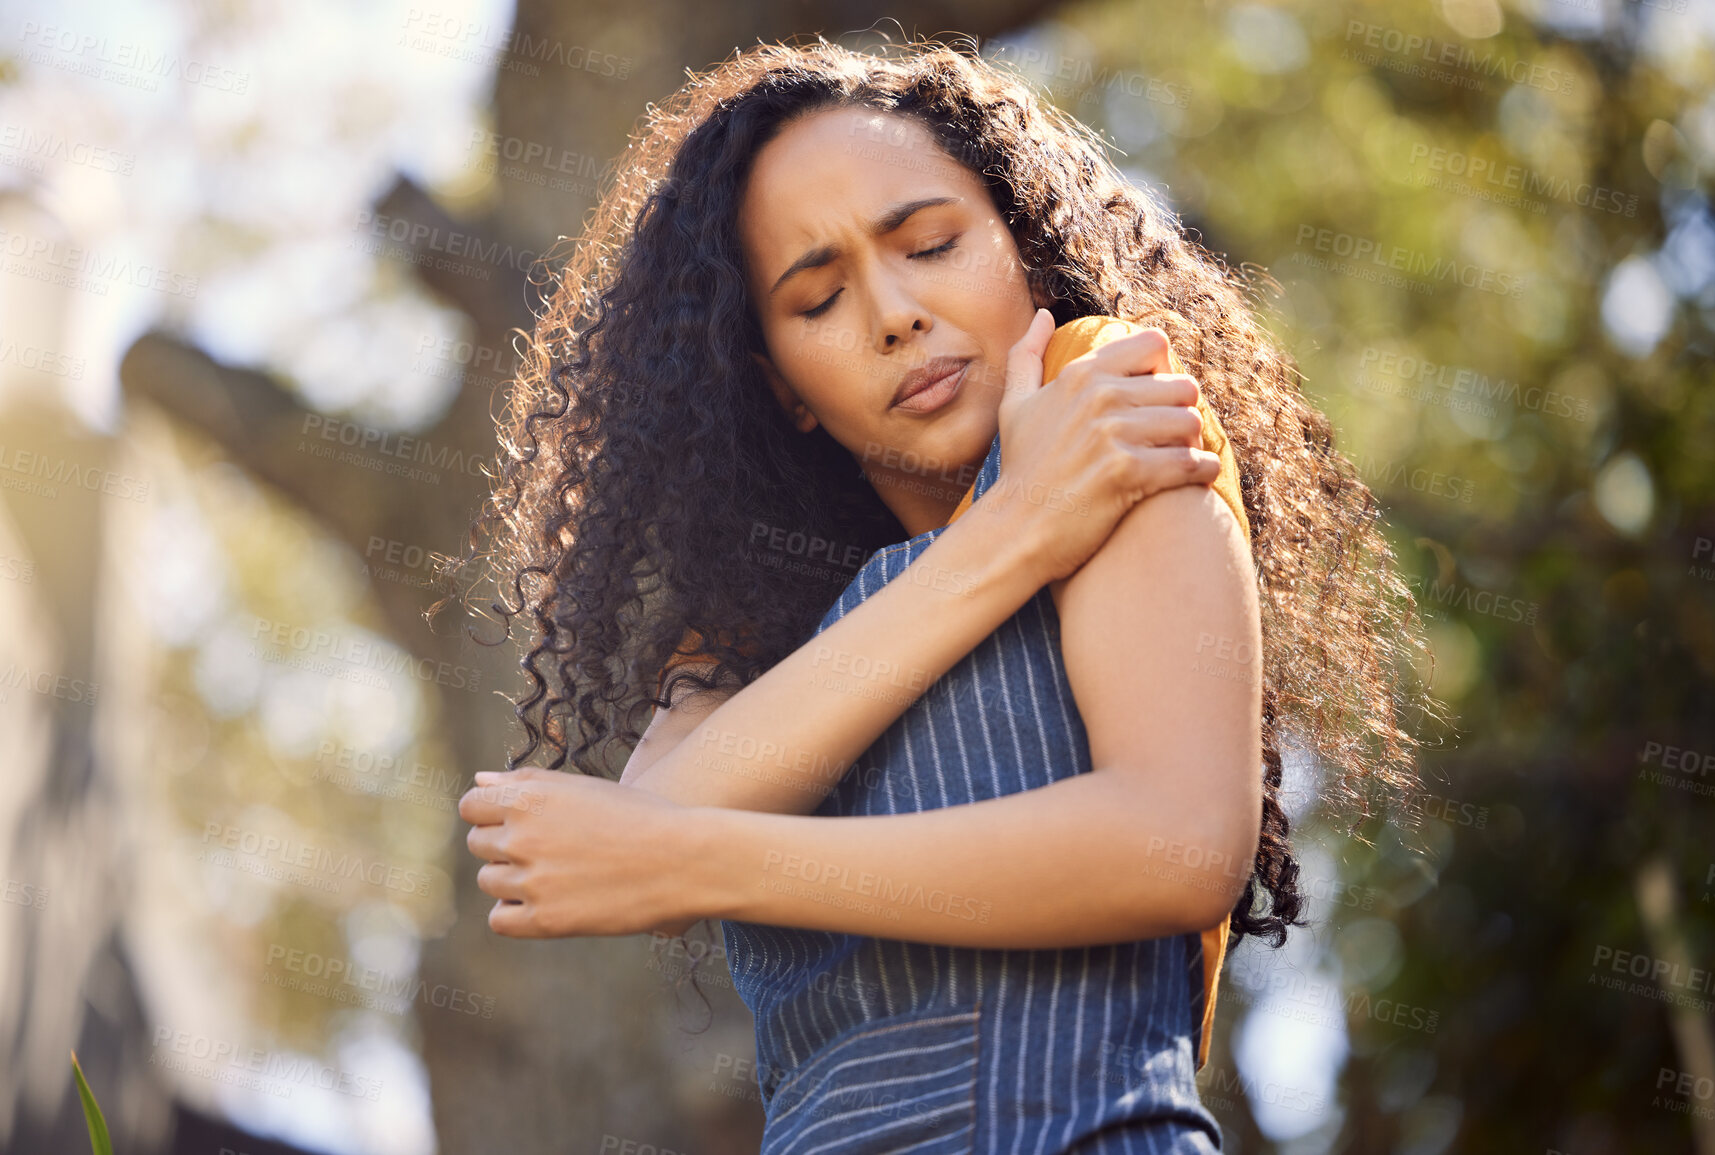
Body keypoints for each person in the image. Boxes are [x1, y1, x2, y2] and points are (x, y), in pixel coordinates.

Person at [447, 36, 1430, 1153]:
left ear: (1024, 243)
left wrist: (712, 861)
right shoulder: (758, 624)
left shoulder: (1100, 408)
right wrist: (1008, 540)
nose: (895, 313)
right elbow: (657, 809)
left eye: (931, 244)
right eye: (818, 300)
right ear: (784, 390)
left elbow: (1178, 842)